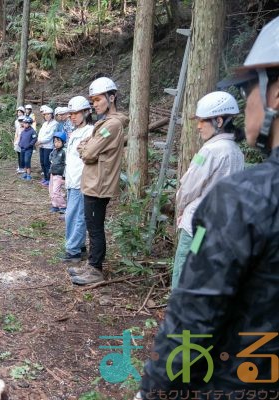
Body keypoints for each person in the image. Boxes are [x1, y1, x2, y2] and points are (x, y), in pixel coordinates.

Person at [138, 16, 279, 398]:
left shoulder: (239, 190)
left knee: (187, 283)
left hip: (240, 379)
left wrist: (155, 388)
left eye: (251, 88)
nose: (198, 126)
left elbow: (196, 313)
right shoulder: (236, 155)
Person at [171, 91, 244, 289]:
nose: (198, 126)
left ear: (219, 120)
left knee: (185, 266)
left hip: (198, 227)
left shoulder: (210, 151)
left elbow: (189, 187)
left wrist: (180, 210)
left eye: (203, 121)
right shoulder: (236, 152)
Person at [71, 77, 128, 285]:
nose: (94, 104)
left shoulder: (111, 126)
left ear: (111, 97)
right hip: (94, 181)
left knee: (95, 228)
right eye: (92, 100)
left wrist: (86, 148)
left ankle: (95, 269)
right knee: (92, 225)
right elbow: (87, 146)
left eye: (97, 99)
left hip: (98, 184)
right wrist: (86, 147)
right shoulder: (104, 124)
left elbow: (88, 152)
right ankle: (92, 265)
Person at [61, 96, 93, 263]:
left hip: (81, 181)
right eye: (70, 114)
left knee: (76, 215)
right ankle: (78, 246)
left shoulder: (90, 131)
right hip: (72, 180)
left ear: (86, 112)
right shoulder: (75, 131)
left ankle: (73, 250)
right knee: (72, 214)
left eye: (76, 113)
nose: (72, 116)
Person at [37, 105, 57, 186]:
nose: (47, 116)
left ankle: (49, 179)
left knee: (47, 163)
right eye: (45, 114)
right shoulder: (44, 123)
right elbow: (40, 133)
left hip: (48, 146)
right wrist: (39, 141)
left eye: (48, 114)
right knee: (42, 162)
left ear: (52, 115)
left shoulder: (54, 124)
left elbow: (50, 136)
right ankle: (45, 177)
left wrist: (40, 141)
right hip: (42, 146)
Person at [48, 131, 66, 213]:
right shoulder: (54, 151)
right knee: (51, 191)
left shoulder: (64, 152)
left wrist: (64, 176)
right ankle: (55, 205)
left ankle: (63, 206)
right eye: (55, 141)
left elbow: (67, 164)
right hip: (52, 173)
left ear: (63, 142)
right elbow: (51, 159)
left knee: (56, 191)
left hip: (59, 175)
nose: (57, 143)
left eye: (59, 141)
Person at [18, 116, 37, 181]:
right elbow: (21, 138)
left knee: (27, 161)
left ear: (29, 124)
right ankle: (25, 173)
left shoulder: (32, 131)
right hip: (22, 149)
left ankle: (29, 175)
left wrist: (30, 145)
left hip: (28, 149)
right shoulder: (23, 131)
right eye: (24, 123)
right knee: (23, 161)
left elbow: (34, 139)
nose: (24, 124)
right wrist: (20, 144)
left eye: (26, 123)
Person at [14, 106, 26, 173]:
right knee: (18, 154)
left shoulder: (26, 120)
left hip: (23, 141)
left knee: (23, 154)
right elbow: (16, 131)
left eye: (20, 112)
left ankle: (23, 167)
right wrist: (15, 141)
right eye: (18, 112)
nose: (19, 113)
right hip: (18, 139)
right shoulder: (16, 121)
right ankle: (20, 166)